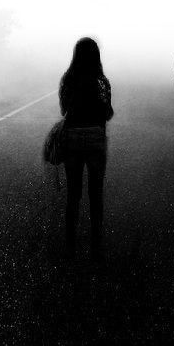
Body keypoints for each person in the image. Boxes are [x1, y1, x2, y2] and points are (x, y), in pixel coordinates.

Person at [59, 37, 114, 261]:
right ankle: (96, 243)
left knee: (74, 193)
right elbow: (108, 113)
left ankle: (70, 243)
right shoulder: (101, 80)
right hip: (95, 138)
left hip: (72, 137)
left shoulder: (68, 79)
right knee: (95, 192)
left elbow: (64, 110)